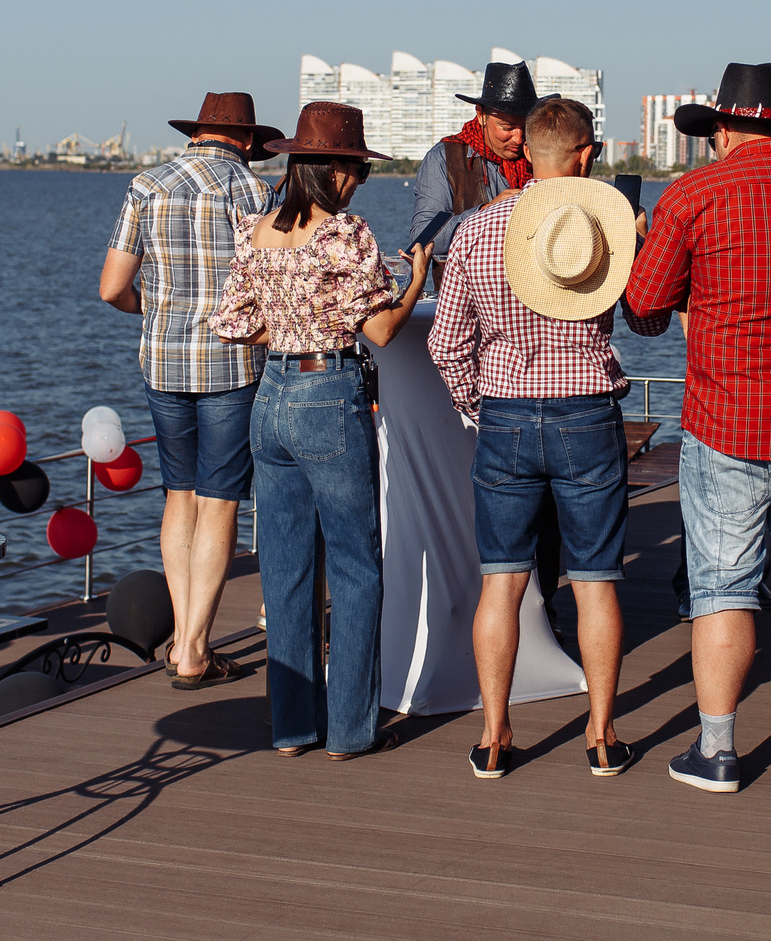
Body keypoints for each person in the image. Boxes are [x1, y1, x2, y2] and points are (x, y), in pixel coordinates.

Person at [621, 62, 771, 793]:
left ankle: (718, 751)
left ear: (724, 130)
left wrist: (658, 255)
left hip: (726, 418)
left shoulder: (693, 194)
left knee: (723, 586)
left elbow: (644, 308)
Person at [428, 96, 661, 780]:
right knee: (595, 581)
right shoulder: (606, 226)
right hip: (586, 413)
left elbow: (445, 343)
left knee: (501, 582)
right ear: (587, 154)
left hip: (504, 412)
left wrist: (480, 405)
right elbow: (649, 322)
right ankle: (602, 734)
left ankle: (493, 736)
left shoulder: (477, 229)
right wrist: (640, 244)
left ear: (526, 153)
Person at [211, 101, 432, 758]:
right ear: (334, 169)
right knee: (355, 565)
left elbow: (233, 325)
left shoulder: (255, 230)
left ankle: (292, 727)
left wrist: (289, 326)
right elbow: (382, 331)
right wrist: (416, 279)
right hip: (328, 393)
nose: (359, 182)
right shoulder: (346, 234)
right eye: (357, 170)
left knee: (285, 569)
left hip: (271, 395)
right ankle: (351, 731)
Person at [98, 91, 277, 690]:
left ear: (196, 133)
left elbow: (112, 288)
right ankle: (196, 649)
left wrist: (155, 311)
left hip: (163, 362)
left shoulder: (146, 185)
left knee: (179, 496)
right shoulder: (254, 191)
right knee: (219, 501)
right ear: (246, 140)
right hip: (232, 363)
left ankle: (182, 636)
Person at [408, 60, 539, 260]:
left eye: (526, 127)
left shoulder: (543, 154)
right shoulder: (443, 158)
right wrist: (487, 213)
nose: (519, 138)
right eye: (507, 127)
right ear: (481, 115)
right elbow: (422, 239)